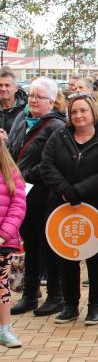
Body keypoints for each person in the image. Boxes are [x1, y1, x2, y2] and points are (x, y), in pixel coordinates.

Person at [40, 93, 98, 326]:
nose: (78, 115)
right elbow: (47, 165)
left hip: (96, 206)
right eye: (74, 111)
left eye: (83, 110)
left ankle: (95, 305)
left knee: (96, 258)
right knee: (67, 257)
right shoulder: (59, 136)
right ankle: (70, 304)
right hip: (62, 205)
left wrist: (79, 191)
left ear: (93, 112)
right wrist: (66, 189)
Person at [6, 77, 66, 316]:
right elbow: (12, 150)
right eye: (31, 95)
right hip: (24, 196)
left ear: (51, 101)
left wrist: (23, 176)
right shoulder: (22, 120)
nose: (33, 100)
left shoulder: (56, 127)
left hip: (45, 194)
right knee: (30, 244)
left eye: (39, 97)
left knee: (49, 246)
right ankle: (30, 294)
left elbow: (49, 163)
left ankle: (56, 295)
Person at [0, 137, 26, 348]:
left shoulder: (11, 173)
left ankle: (5, 328)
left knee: (2, 288)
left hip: (4, 241)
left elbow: (18, 206)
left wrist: (3, 234)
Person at [0, 69, 27, 140]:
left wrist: (8, 139)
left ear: (16, 88)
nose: (3, 89)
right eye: (0, 85)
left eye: (7, 85)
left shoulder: (26, 110)